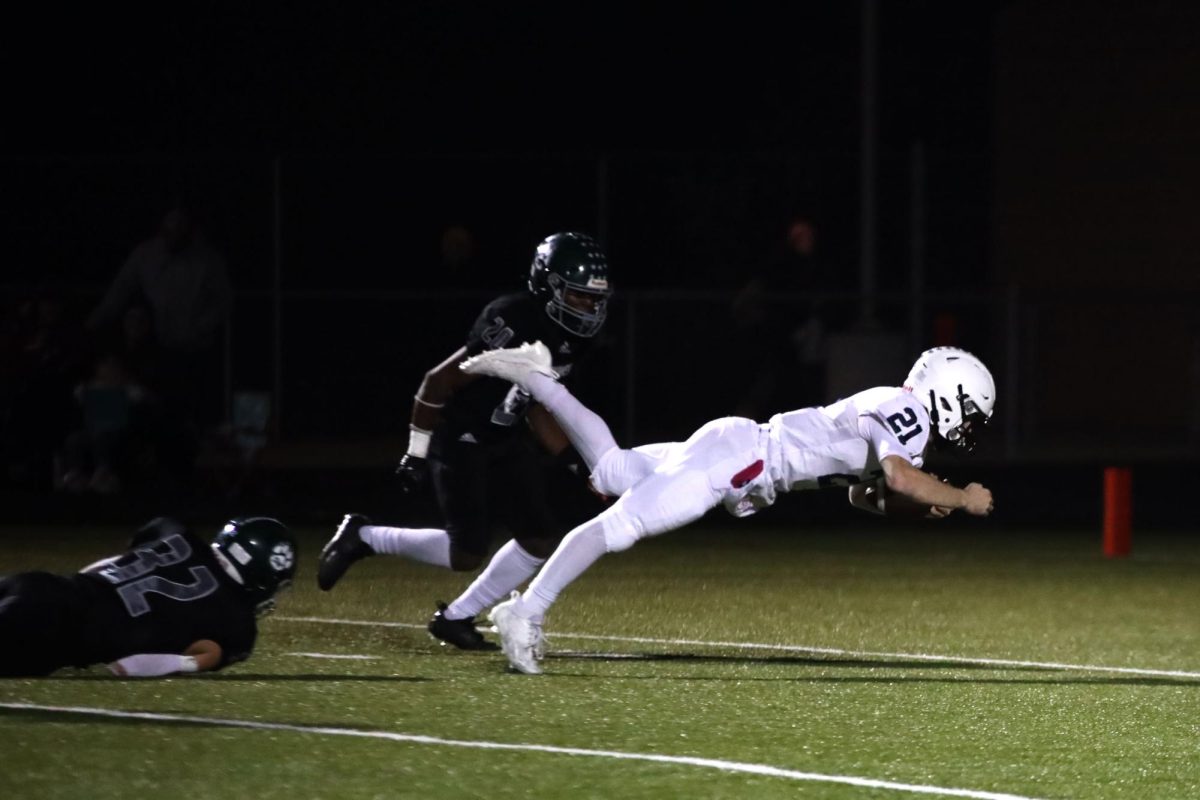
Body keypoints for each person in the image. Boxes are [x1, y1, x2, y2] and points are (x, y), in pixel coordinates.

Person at [458, 343, 996, 674]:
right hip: (741, 459)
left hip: (741, 450)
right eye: (970, 412)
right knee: (619, 525)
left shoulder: (900, 414)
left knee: (611, 472)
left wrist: (917, 509)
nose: (967, 426)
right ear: (949, 393)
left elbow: (865, 493)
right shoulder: (907, 410)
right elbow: (902, 477)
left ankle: (536, 377)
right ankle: (524, 611)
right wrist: (962, 497)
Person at [316, 232, 613, 651]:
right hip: (463, 436)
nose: (589, 307)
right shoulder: (513, 321)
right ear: (549, 285)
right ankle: (364, 536)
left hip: (507, 438)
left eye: (594, 299)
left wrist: (575, 462)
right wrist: (415, 453)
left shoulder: (572, 338)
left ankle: (455, 618)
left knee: (539, 540)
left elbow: (535, 403)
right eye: (579, 296)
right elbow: (438, 382)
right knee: (465, 553)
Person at [0, 516, 296, 677]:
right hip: (58, 633)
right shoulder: (237, 626)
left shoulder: (175, 530)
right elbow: (187, 662)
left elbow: (119, 560)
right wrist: (122, 668)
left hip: (41, 585)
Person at [86, 204, 233, 488]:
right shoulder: (146, 257)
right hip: (153, 355)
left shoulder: (206, 260)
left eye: (180, 227)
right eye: (169, 227)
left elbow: (223, 301)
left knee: (177, 412)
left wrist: (199, 327)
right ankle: (99, 469)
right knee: (103, 406)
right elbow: (119, 292)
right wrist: (91, 326)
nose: (173, 234)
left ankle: (174, 472)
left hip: (189, 351)